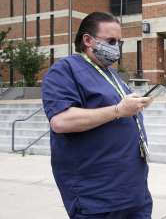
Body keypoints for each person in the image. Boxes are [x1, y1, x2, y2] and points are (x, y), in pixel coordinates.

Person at [41, 12, 153, 219]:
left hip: (134, 194)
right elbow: (61, 121)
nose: (116, 47)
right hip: (98, 199)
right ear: (87, 40)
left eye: (119, 42)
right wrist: (118, 110)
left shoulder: (112, 74)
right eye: (111, 41)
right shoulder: (65, 70)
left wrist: (133, 106)